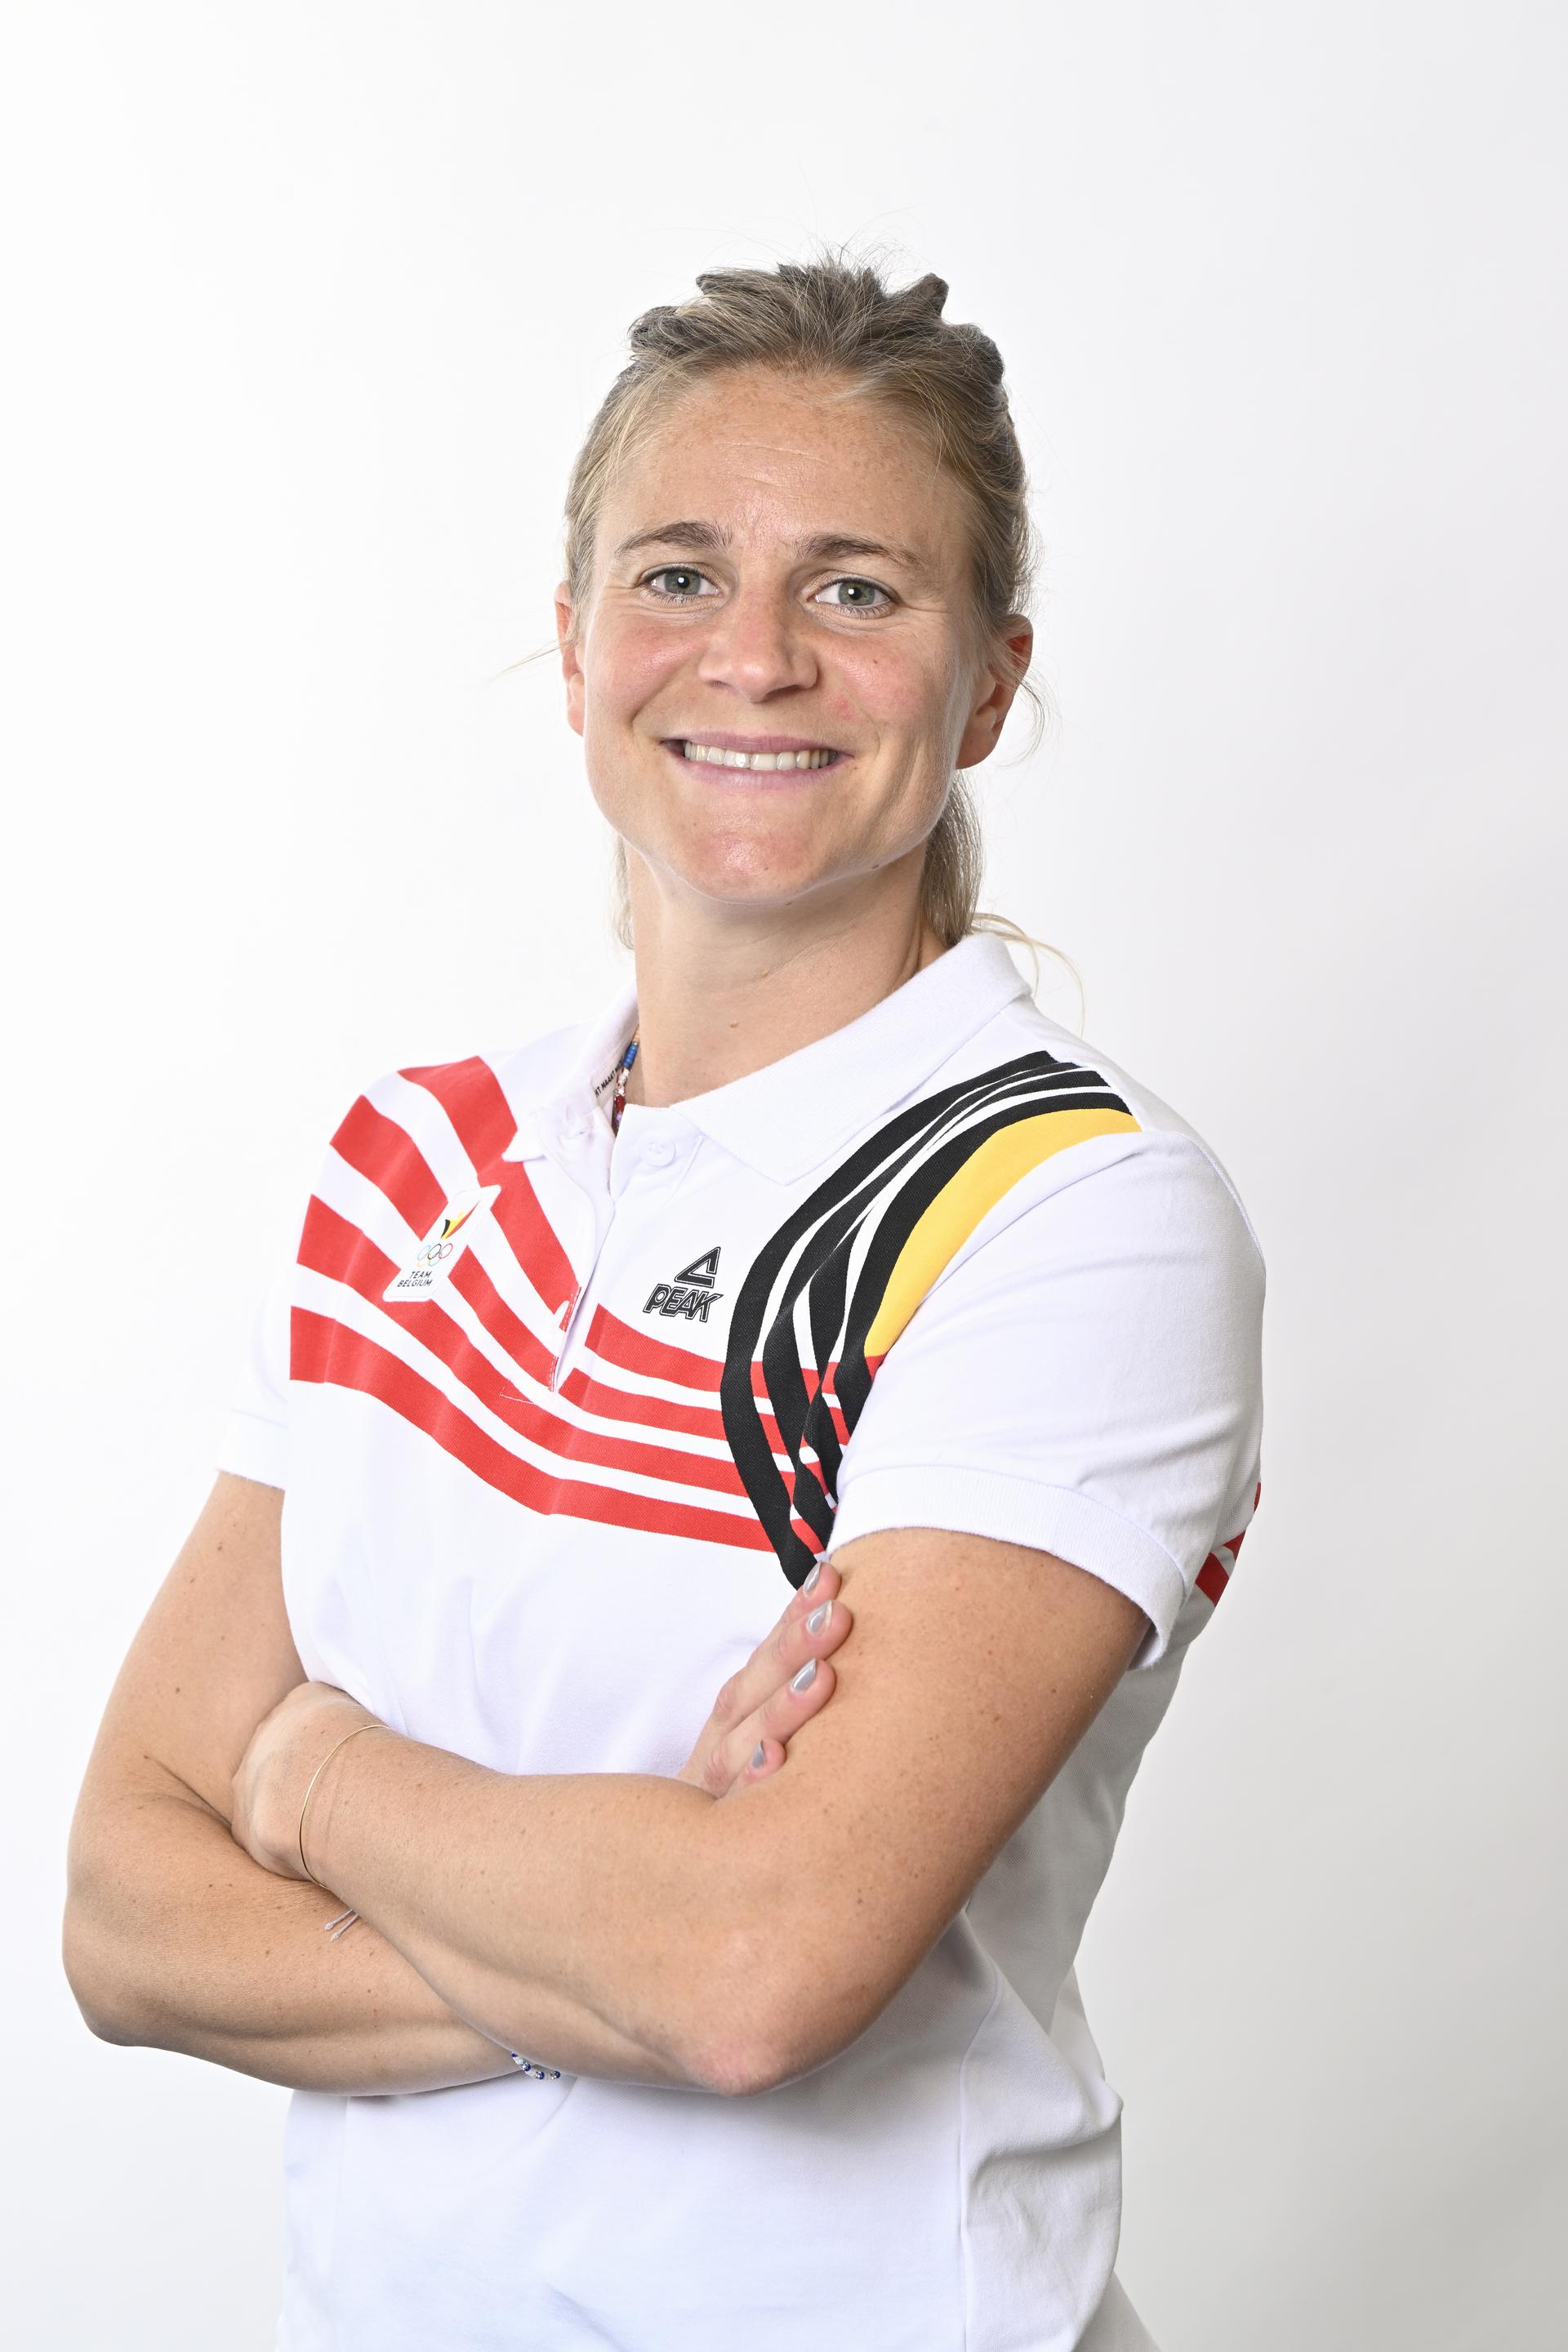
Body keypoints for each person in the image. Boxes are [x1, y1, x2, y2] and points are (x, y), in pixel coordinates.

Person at [64, 255, 1266, 2351]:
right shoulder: (410, 1159)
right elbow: (123, 1918)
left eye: (863, 592)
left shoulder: (1075, 1211)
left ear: (990, 683)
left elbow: (749, 1979)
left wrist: (316, 1778)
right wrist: (609, 1925)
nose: (760, 658)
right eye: (682, 572)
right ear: (574, 645)